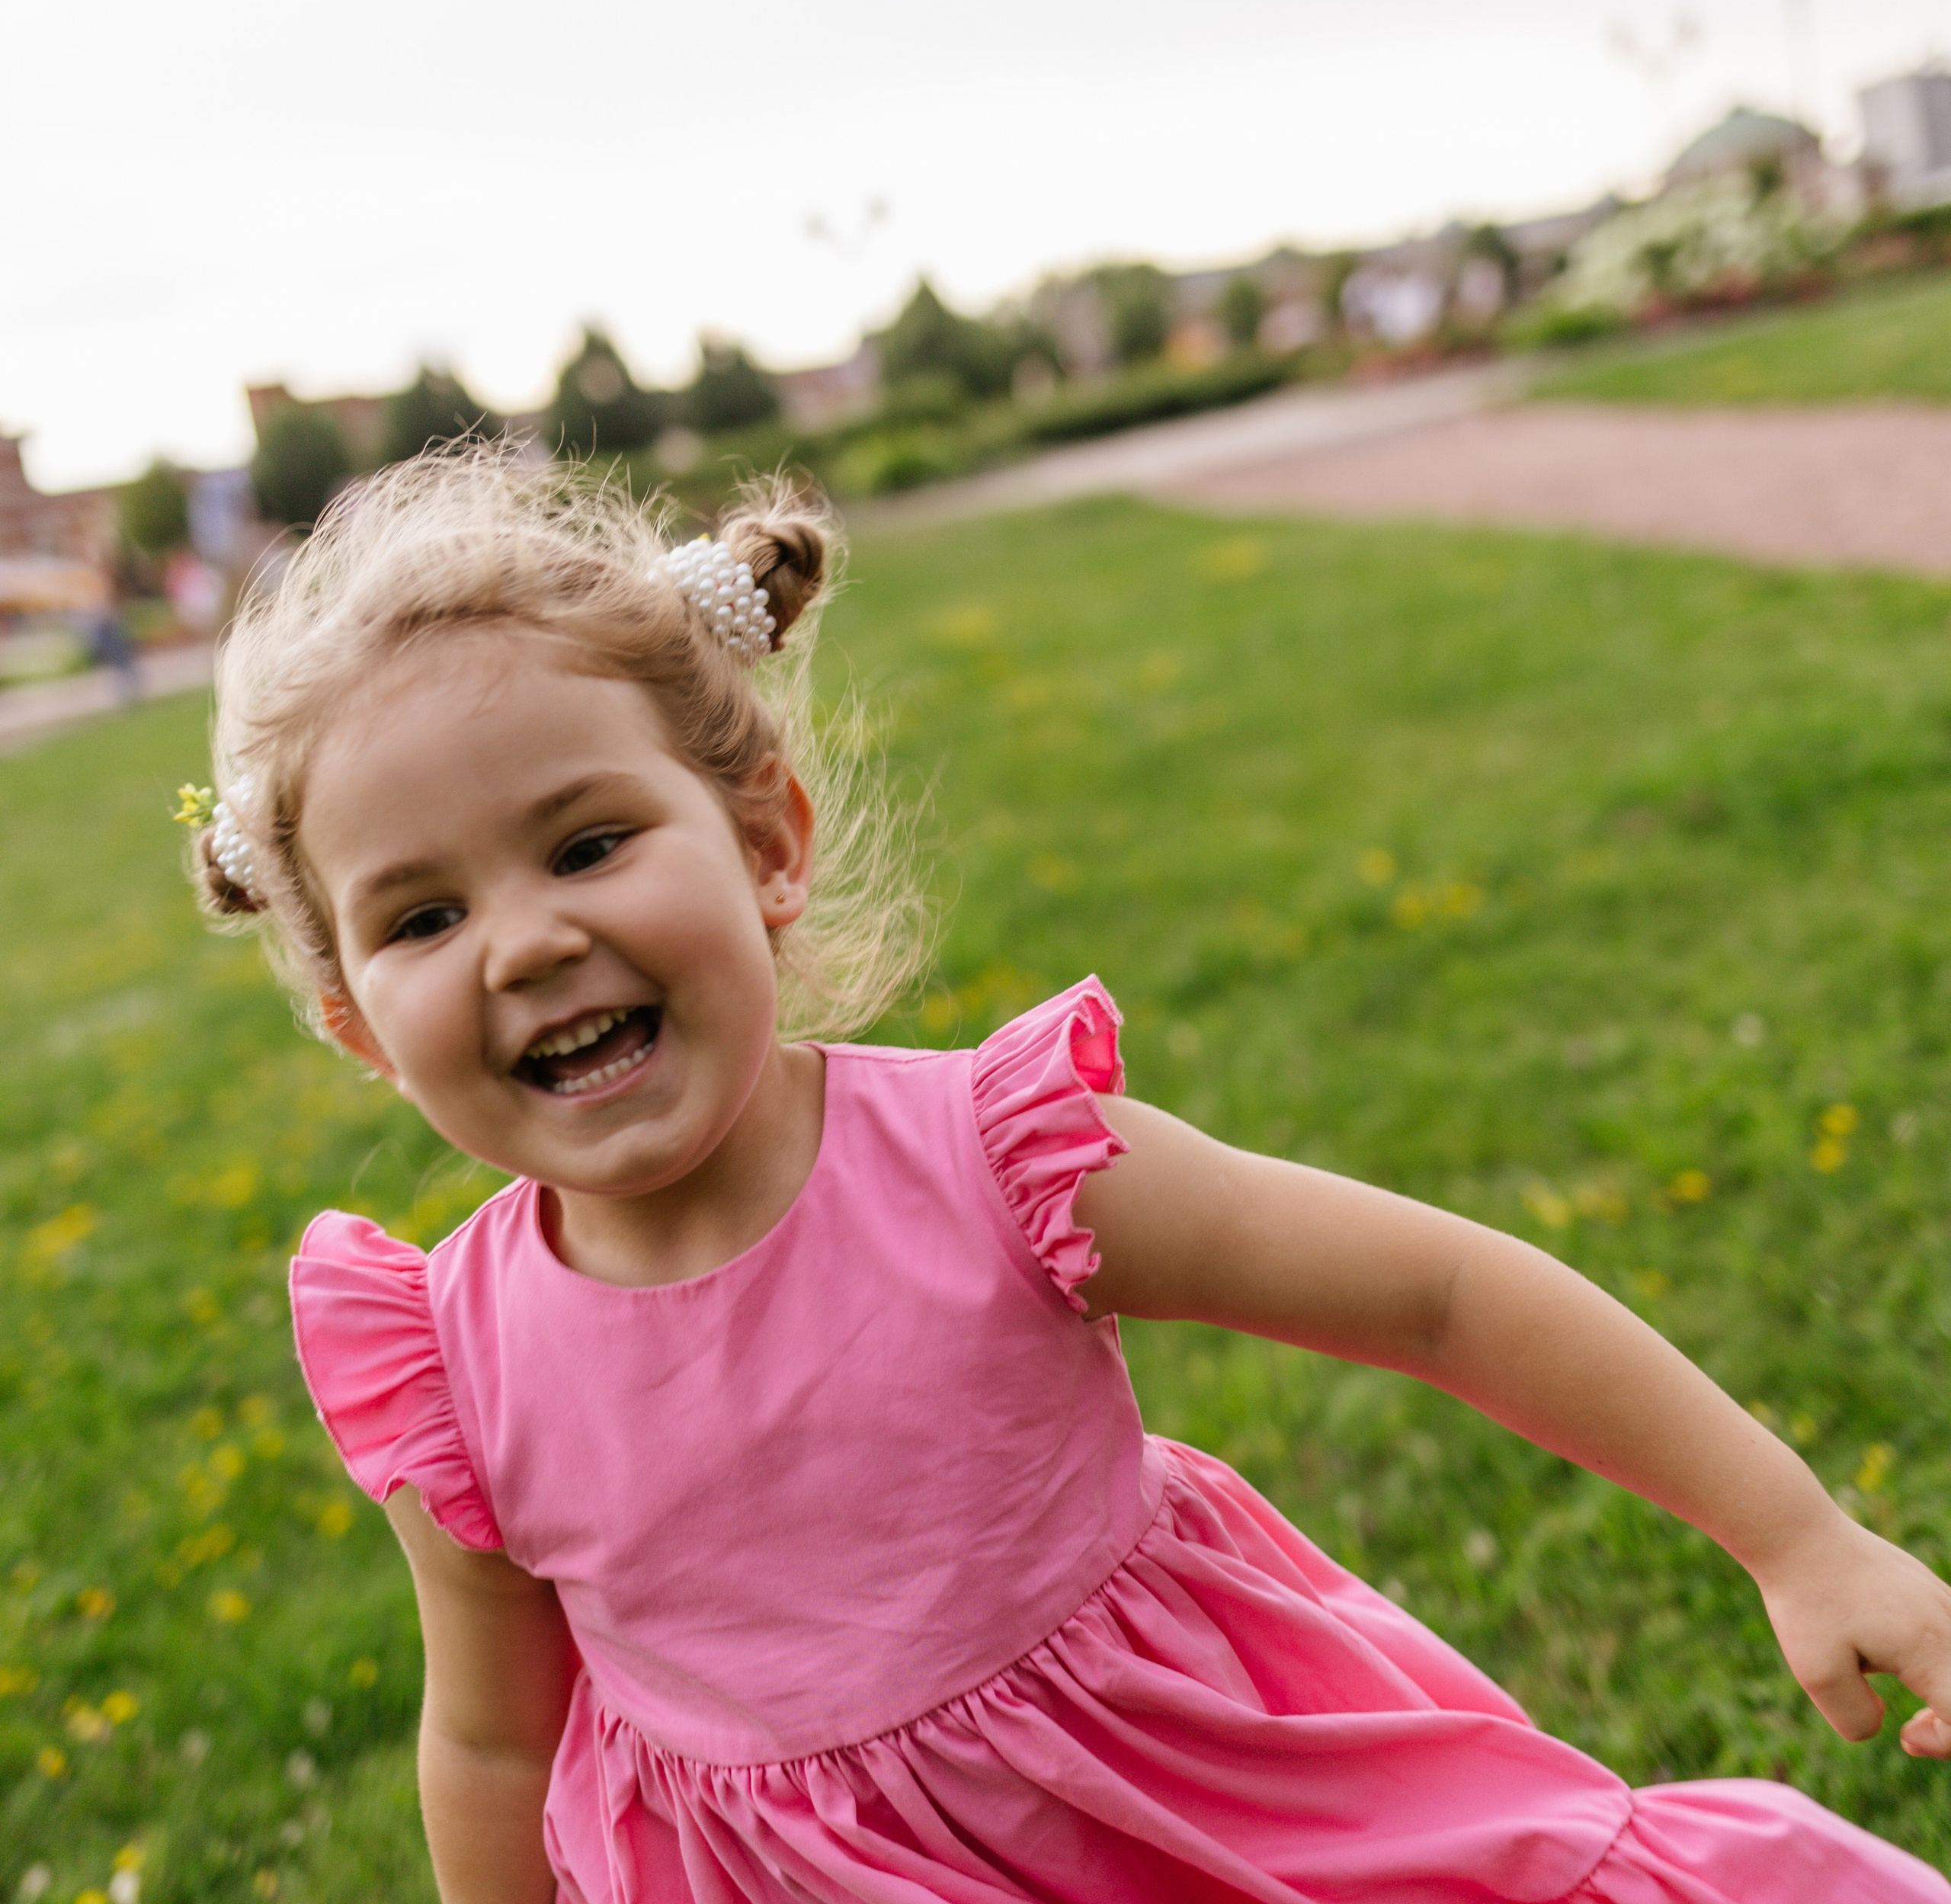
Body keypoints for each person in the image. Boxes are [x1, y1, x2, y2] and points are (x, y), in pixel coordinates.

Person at [183, 444, 1951, 1903]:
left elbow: (1435, 1290)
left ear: (764, 841)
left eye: (585, 841)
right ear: (352, 1015)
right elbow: (493, 1732)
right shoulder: (448, 1362)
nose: (526, 941)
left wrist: (1792, 1532)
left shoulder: (998, 1162)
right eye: (424, 913)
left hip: (1204, 1824)